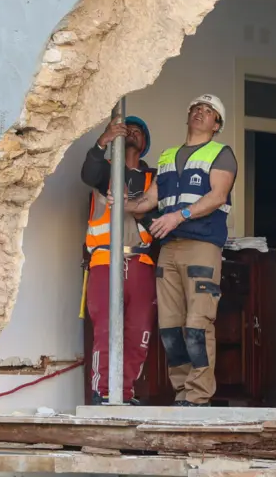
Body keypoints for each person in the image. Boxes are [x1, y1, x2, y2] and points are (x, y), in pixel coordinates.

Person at [137, 93, 238, 407]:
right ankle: (182, 393)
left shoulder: (221, 154)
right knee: (170, 326)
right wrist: (121, 205)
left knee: (197, 323)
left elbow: (218, 196)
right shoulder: (168, 156)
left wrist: (177, 215)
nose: (200, 113)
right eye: (196, 108)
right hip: (169, 249)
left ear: (216, 125)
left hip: (202, 246)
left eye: (208, 111)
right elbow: (148, 201)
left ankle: (198, 397)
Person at [80, 115, 157, 405]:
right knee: (105, 330)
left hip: (141, 262)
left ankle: (124, 395)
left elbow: (159, 219)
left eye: (139, 130)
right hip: (104, 260)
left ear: (145, 143)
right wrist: (104, 140)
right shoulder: (106, 172)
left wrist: (134, 208)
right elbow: (88, 172)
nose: (132, 132)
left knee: (140, 334)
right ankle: (102, 393)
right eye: (127, 129)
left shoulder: (153, 179)